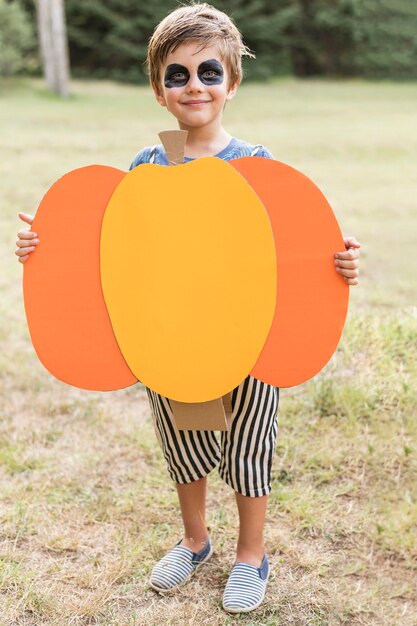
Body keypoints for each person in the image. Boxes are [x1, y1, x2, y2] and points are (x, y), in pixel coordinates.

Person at [15, 3, 361, 614]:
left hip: (245, 339)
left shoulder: (257, 164)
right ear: (158, 90)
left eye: (207, 72)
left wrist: (338, 266)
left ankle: (251, 555)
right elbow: (115, 249)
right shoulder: (146, 168)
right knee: (183, 443)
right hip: (169, 336)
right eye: (177, 75)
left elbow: (292, 247)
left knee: (249, 447)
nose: (193, 86)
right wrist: (44, 248)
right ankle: (195, 540)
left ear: (232, 82)